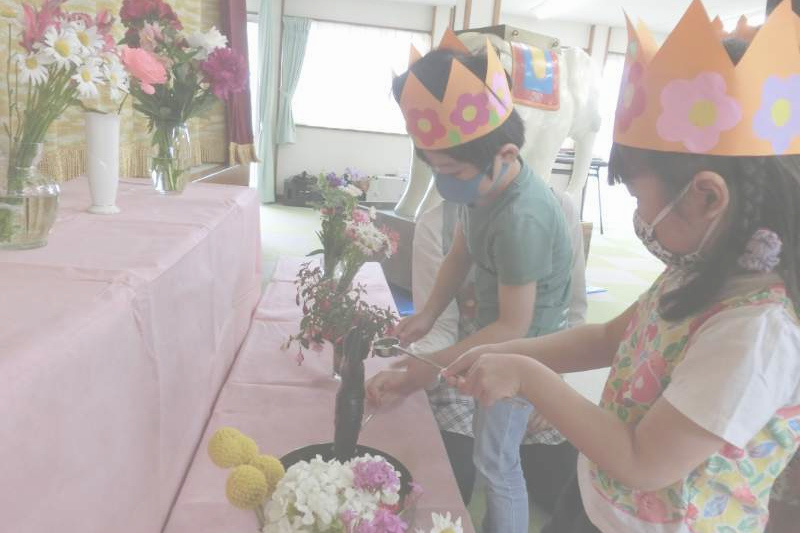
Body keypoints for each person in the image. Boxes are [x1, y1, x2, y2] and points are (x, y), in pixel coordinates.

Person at [443, 3, 800, 532]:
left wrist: (527, 376)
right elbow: (611, 338)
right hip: (600, 495)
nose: (638, 216)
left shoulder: (756, 333)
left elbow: (642, 461)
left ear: (707, 196)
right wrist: (504, 353)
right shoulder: (699, 268)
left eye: (637, 197)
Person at [366, 31, 574, 532]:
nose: (444, 182)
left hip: (524, 352)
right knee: (487, 449)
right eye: (435, 168)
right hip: (494, 336)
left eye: (452, 170)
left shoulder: (522, 217)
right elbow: (460, 252)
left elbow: (513, 327)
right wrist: (428, 314)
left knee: (496, 463)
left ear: (505, 153)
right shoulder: (480, 187)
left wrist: (427, 369)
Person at [411, 190, 586, 507]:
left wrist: (554, 386)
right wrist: (423, 370)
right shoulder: (439, 223)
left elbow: (570, 310)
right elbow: (441, 329)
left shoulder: (556, 209)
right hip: (460, 364)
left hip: (535, 361)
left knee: (564, 486)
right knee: (454, 479)